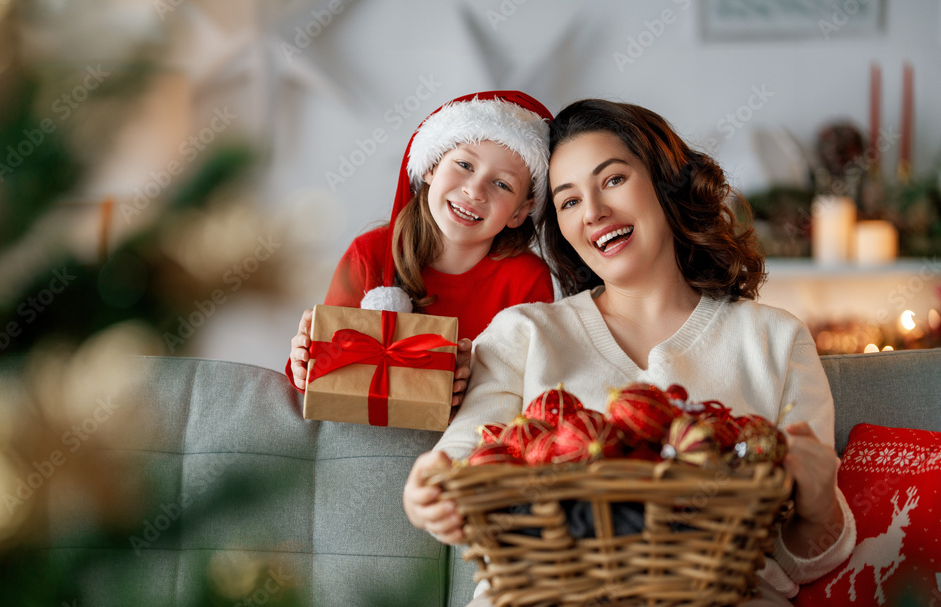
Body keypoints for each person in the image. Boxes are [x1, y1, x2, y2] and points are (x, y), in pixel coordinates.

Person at [403, 98, 856, 606]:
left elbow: (808, 560)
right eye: (569, 201)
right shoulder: (524, 334)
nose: (594, 212)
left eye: (613, 180)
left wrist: (818, 506)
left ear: (666, 183)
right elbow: (459, 469)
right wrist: (430, 495)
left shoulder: (774, 339)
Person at [286, 91, 556, 402]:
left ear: (520, 212)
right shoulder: (370, 254)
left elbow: (529, 389)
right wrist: (303, 362)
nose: (474, 190)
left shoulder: (527, 280)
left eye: (502, 184)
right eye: (465, 164)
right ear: (431, 167)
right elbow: (322, 379)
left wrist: (473, 385)